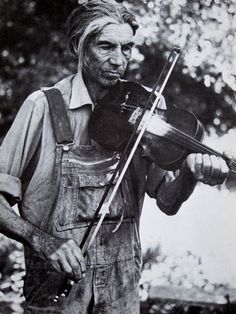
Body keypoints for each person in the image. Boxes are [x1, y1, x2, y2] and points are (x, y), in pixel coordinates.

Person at [0, 0, 229, 313]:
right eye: (106, 46)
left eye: (127, 48)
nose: (118, 61)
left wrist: (190, 173)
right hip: (57, 297)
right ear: (76, 47)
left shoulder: (148, 106)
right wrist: (41, 240)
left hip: (122, 296)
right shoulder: (43, 107)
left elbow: (168, 201)